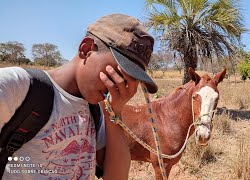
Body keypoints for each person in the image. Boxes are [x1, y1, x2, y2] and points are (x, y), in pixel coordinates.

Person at [0, 13, 158, 180]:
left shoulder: (96, 113)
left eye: (127, 82)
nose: (117, 87)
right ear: (86, 50)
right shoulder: (16, 86)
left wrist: (115, 113)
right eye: (116, 74)